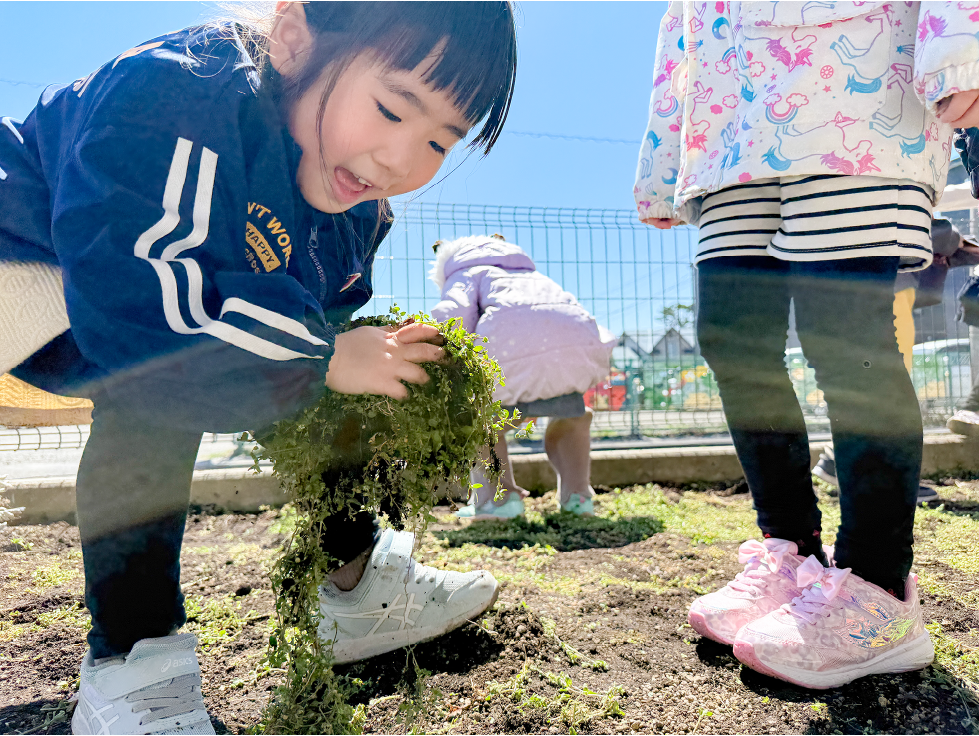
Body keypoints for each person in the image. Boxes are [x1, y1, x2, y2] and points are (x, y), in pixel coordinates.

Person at [0, 2, 517, 733]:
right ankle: (133, 667)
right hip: (21, 261)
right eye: (391, 107)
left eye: (439, 140)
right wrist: (325, 354)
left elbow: (307, 353)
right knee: (167, 379)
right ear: (295, 36)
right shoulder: (178, 94)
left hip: (106, 319)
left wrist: (354, 356)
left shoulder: (357, 216)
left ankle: (357, 582)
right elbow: (149, 325)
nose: (403, 162)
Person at [635, 2, 979, 689]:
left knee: (842, 334)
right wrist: (662, 158)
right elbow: (684, 21)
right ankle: (790, 552)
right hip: (728, 124)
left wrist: (961, 45)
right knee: (729, 339)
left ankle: (879, 591)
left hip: (853, 93)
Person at [428, 234, 615, 519]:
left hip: (508, 362)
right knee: (570, 416)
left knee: (480, 424)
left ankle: (499, 501)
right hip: (571, 355)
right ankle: (578, 498)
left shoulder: (465, 273)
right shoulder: (529, 274)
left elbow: (453, 318)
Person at [813, 217, 979, 501]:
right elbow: (927, 227)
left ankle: (841, 461)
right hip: (888, 285)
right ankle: (882, 477)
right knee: (891, 384)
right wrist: (956, 242)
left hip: (842, 285)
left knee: (868, 382)